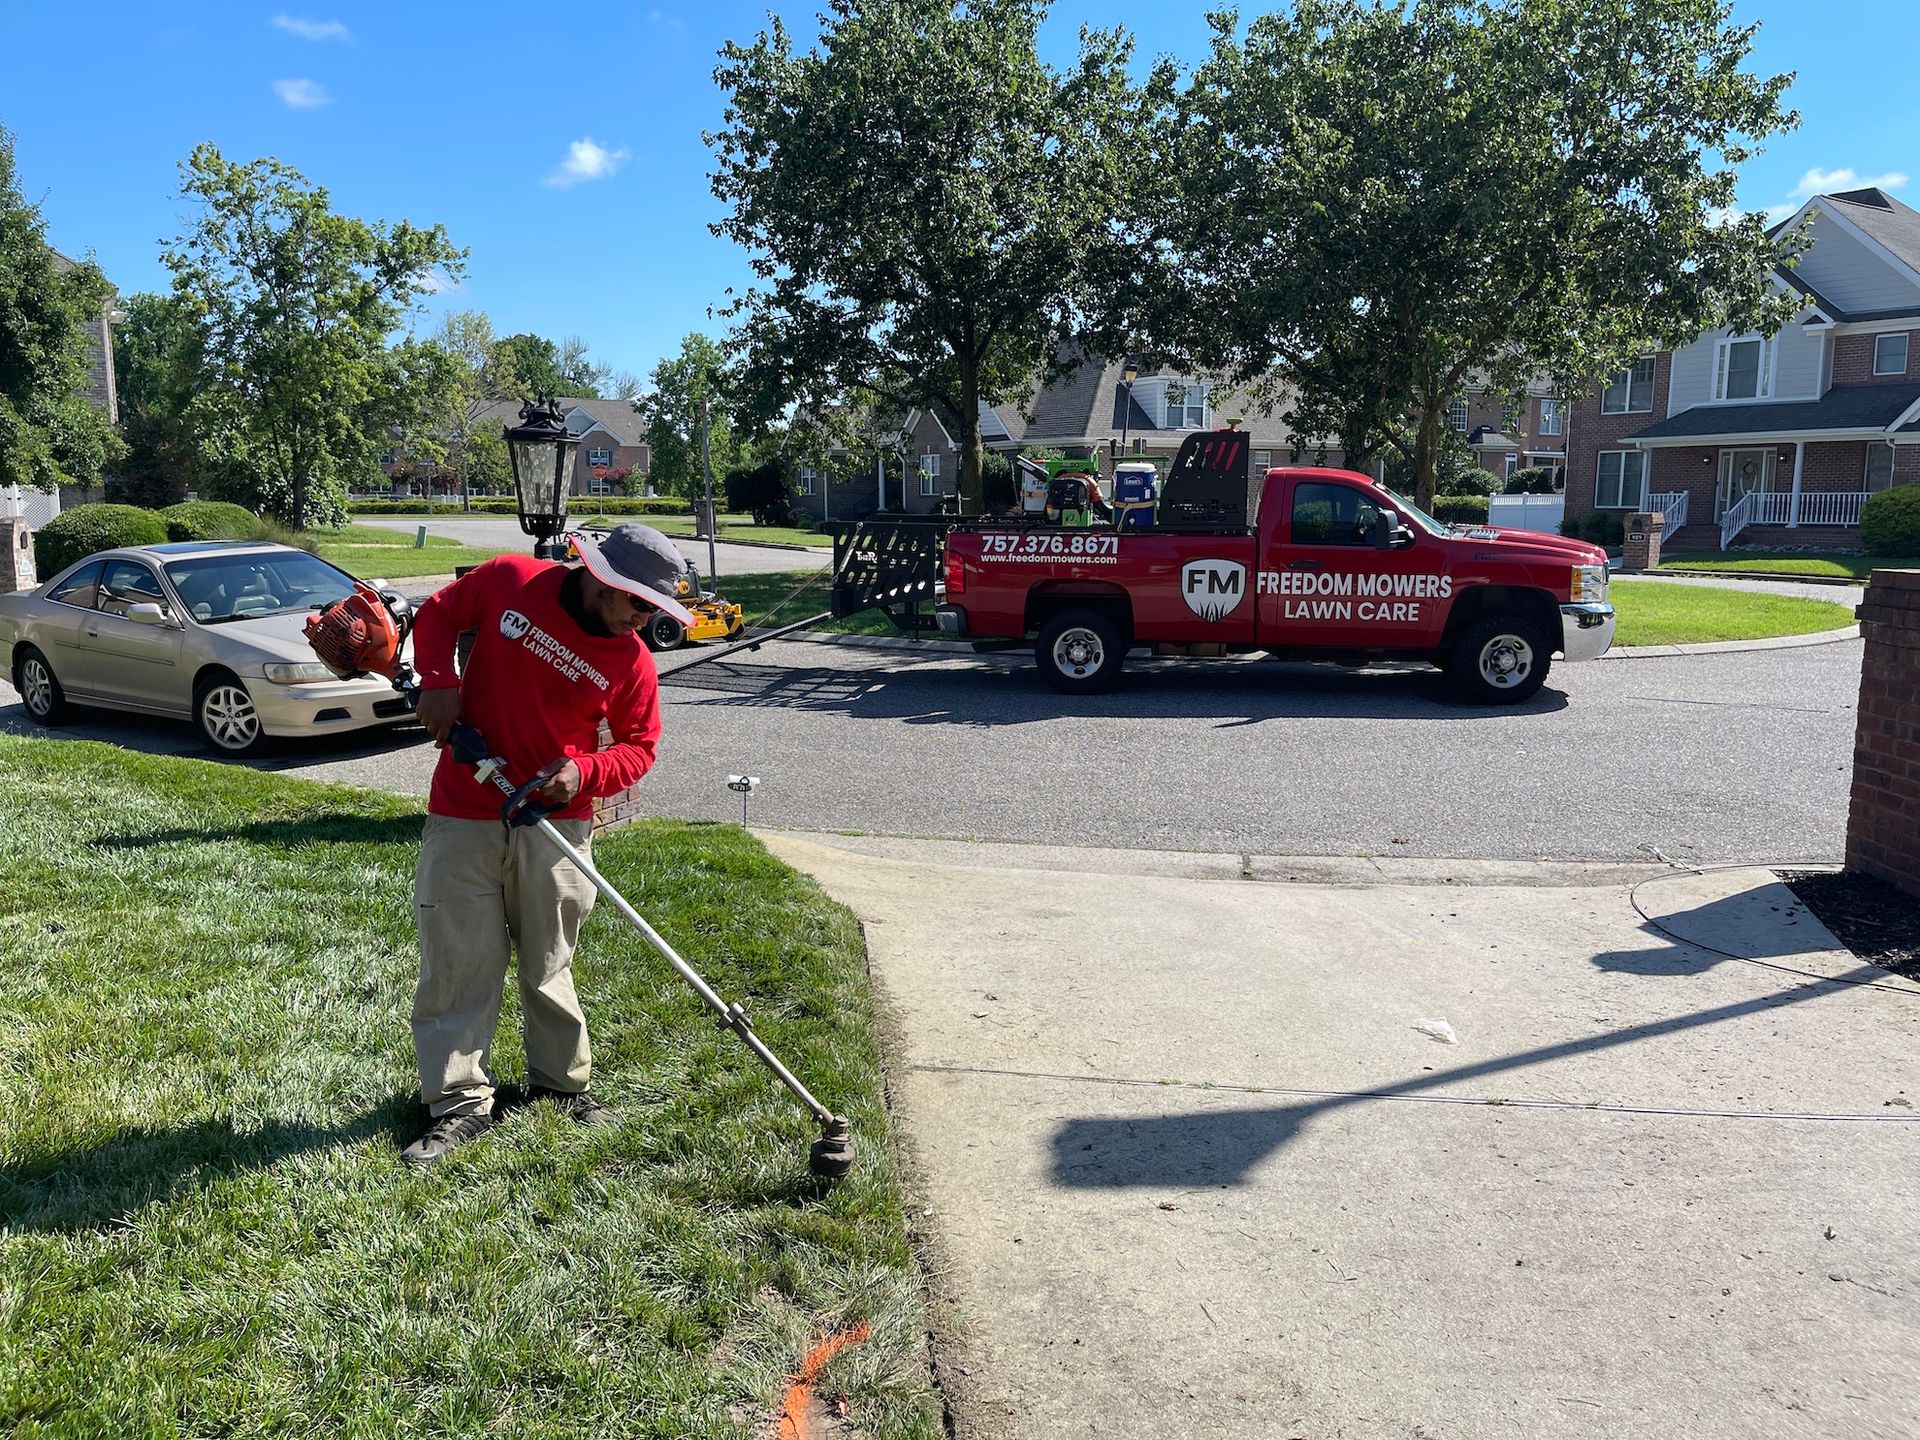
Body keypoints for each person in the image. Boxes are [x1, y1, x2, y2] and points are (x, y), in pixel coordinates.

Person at [397, 523, 698, 1166]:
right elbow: (439, 616)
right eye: (638, 602)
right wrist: (438, 680)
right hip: (466, 807)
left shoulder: (633, 660)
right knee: (460, 960)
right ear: (602, 579)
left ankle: (560, 1087)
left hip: (559, 826)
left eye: (656, 609)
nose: (644, 620)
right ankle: (458, 1104)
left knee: (549, 960)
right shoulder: (513, 581)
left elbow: (639, 748)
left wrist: (582, 775)